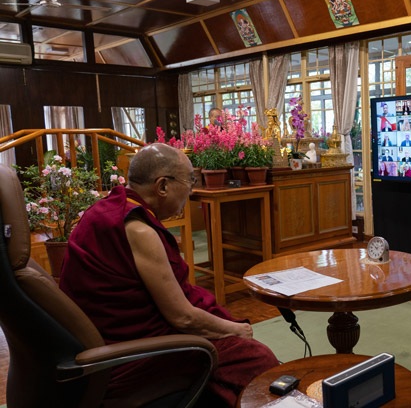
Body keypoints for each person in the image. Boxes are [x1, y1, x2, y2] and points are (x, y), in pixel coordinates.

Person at [59, 144, 279, 407]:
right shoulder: (138, 230)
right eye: (189, 181)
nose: (191, 190)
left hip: (103, 340)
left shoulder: (105, 210)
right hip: (136, 355)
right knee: (257, 358)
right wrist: (236, 329)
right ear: (162, 186)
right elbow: (183, 317)